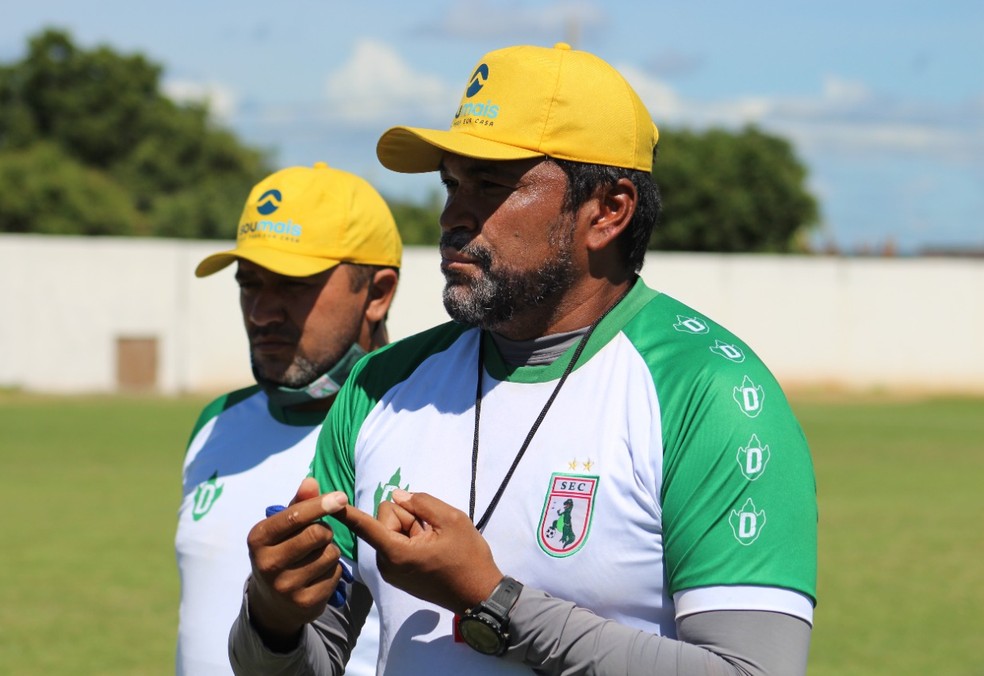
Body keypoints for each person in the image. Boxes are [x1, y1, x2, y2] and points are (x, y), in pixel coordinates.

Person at [229, 43, 818, 675]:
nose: (454, 215)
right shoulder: (382, 385)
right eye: (451, 183)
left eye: (491, 185)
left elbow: (754, 670)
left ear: (609, 211)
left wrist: (493, 601)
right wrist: (272, 619)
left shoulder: (708, 390)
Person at [175, 161, 402, 675]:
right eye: (250, 284)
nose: (262, 312)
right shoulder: (217, 421)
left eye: (293, 285)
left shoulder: (420, 428)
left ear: (378, 293)